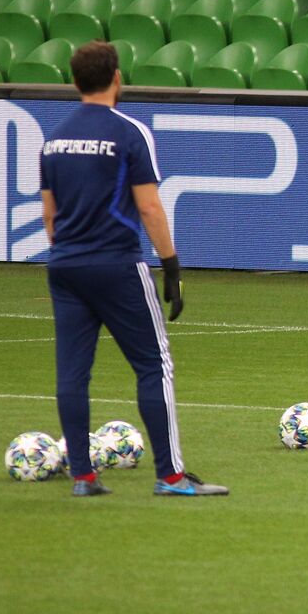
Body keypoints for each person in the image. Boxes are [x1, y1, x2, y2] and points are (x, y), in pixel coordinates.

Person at [39, 41, 228, 498]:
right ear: (117, 78)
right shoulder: (129, 132)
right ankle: (171, 476)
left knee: (72, 373)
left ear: (75, 80)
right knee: (153, 364)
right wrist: (171, 265)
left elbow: (50, 216)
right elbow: (149, 207)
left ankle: (82, 476)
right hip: (117, 263)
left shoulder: (54, 138)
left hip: (65, 264)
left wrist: (72, 252)